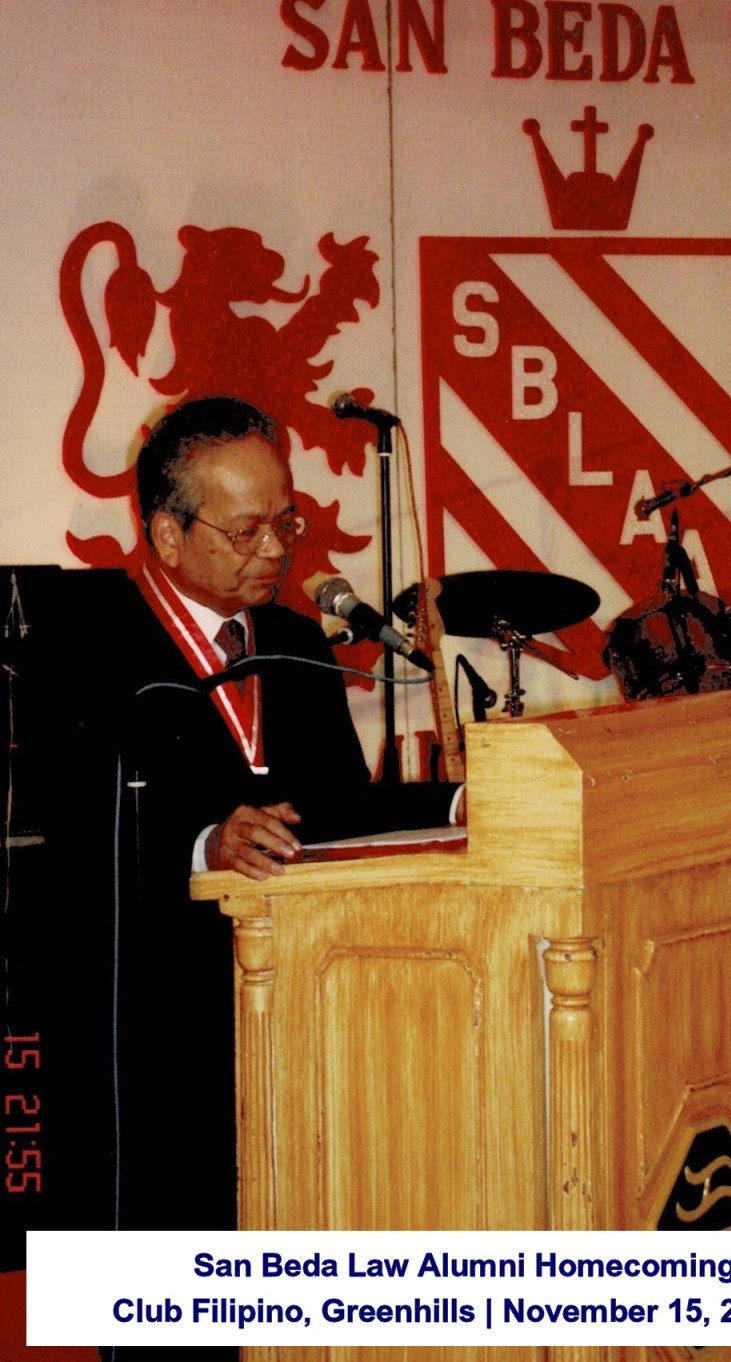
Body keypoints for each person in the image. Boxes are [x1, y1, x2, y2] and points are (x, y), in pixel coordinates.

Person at [110, 396, 457, 1232]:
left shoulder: (297, 643)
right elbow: (70, 840)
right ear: (167, 535)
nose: (275, 549)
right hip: (161, 1033)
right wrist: (205, 844)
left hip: (301, 1015)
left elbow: (340, 811)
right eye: (245, 531)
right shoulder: (98, 650)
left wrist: (464, 800)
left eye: (286, 523)